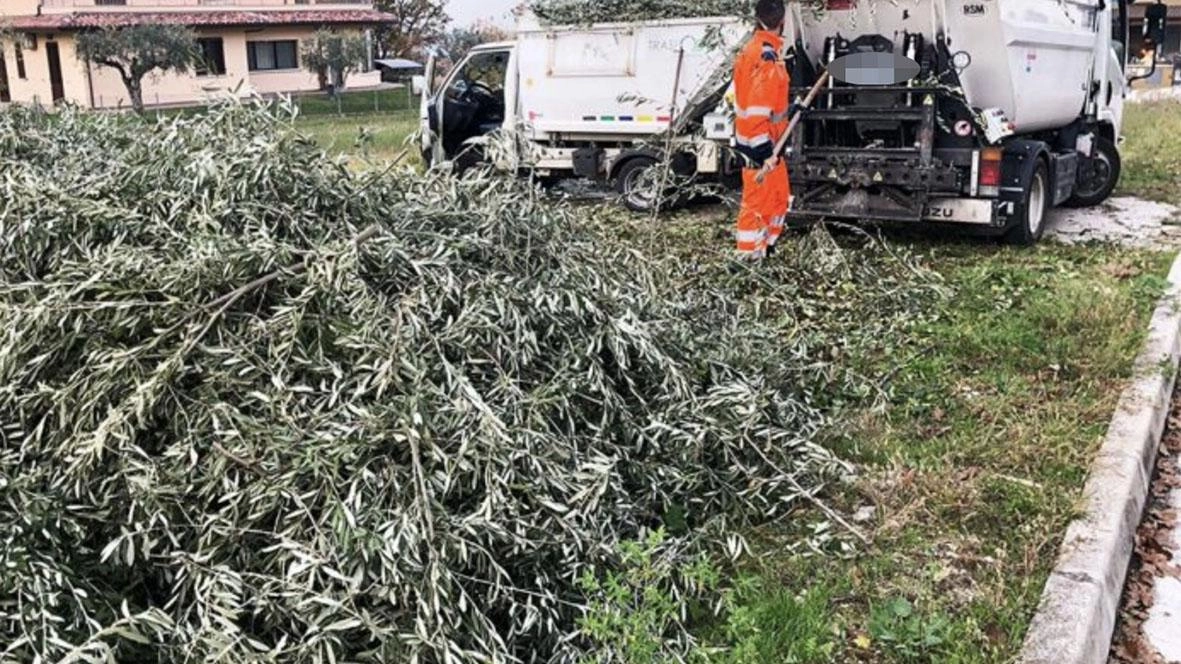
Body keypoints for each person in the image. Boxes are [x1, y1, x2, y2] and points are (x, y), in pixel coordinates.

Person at [733, 0, 791, 260]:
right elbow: (757, 108)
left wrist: (795, 108)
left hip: (763, 143)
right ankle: (748, 257)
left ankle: (766, 249)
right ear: (782, 21)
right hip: (760, 145)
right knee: (758, 204)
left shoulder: (755, 50)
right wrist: (764, 150)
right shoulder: (766, 57)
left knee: (777, 199)